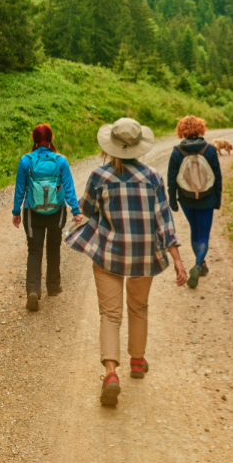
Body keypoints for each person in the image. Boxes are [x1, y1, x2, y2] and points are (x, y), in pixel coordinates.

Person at [65, 117, 189, 407]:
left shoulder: (99, 176)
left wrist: (75, 230)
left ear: (110, 147)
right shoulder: (154, 178)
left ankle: (111, 373)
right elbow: (164, 222)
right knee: (139, 307)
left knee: (110, 314)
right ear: (138, 146)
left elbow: (85, 213)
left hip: (108, 253)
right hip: (144, 255)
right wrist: (178, 259)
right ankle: (137, 360)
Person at [12, 124, 83, 312]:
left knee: (34, 251)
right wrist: (76, 210)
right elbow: (69, 188)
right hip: (56, 213)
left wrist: (16, 212)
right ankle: (53, 286)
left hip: (31, 211)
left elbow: (20, 189)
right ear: (51, 139)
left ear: (34, 139)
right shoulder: (60, 161)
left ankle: (33, 290)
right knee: (53, 247)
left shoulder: (26, 161)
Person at [166, 115, 223, 289]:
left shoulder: (177, 151)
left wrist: (173, 200)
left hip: (186, 198)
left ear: (181, 130)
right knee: (204, 234)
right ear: (200, 129)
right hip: (207, 197)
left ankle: (201, 265)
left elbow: (172, 178)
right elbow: (217, 177)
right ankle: (199, 264)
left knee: (195, 230)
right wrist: (217, 199)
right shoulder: (210, 149)